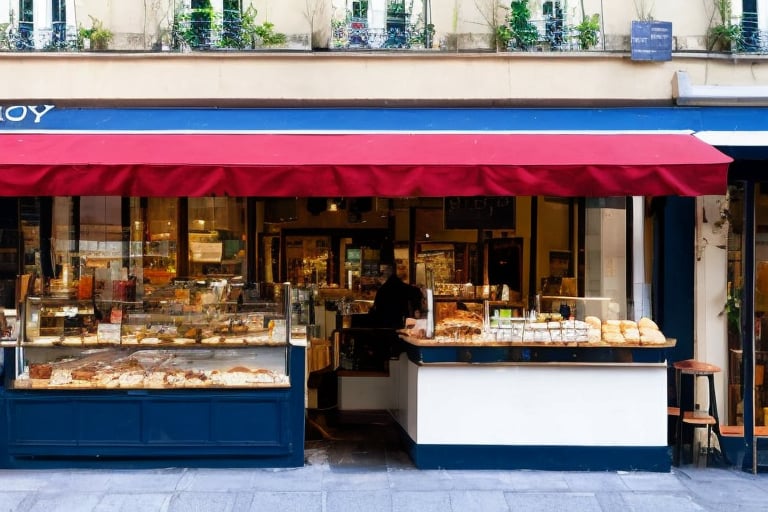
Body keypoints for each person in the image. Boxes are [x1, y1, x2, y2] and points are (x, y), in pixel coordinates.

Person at [369, 264, 422, 329]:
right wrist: (416, 309)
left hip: (385, 324)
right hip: (400, 321)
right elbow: (417, 292)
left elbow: (377, 308)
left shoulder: (382, 290)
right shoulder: (402, 287)